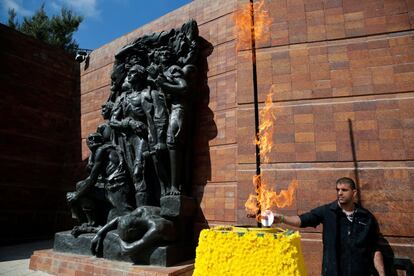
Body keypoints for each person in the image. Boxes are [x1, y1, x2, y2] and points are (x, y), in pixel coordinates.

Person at [273, 177, 385, 276]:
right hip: (332, 272)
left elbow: (374, 249)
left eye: (344, 190)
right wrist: (282, 218)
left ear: (354, 193)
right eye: (338, 190)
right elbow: (303, 220)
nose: (340, 193)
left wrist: (381, 273)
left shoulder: (366, 217)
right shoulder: (328, 211)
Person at [90, 206, 177, 256]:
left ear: (133, 231)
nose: (131, 240)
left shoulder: (157, 228)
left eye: (130, 238)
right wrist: (99, 233)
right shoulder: (142, 210)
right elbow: (118, 219)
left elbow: (127, 250)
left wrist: (120, 237)